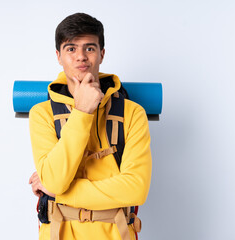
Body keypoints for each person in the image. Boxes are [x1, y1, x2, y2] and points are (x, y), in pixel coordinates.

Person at [28, 13, 152, 240]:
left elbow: (136, 189)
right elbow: (54, 180)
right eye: (71, 49)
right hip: (58, 232)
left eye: (90, 48)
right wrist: (83, 111)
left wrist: (60, 192)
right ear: (59, 56)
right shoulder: (42, 114)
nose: (81, 57)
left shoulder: (132, 113)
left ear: (102, 54)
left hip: (117, 233)